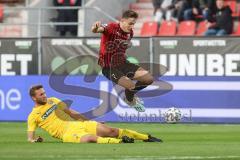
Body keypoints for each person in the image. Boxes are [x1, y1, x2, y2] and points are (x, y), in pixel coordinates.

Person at [27, 84, 162, 143]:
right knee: (89, 139)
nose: (45, 96)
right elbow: (30, 137)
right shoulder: (33, 116)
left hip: (77, 125)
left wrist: (87, 121)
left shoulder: (53, 101)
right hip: (65, 134)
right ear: (34, 98)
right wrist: (34, 140)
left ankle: (146, 137)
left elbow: (72, 113)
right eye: (41, 94)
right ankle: (120, 142)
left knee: (110, 130)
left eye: (44, 93)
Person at [91, 10, 154, 112]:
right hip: (109, 67)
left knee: (148, 79)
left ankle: (130, 96)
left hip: (123, 63)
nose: (132, 26)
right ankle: (130, 100)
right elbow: (98, 29)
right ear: (122, 21)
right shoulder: (111, 27)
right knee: (131, 86)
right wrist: (95, 27)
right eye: (130, 23)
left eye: (133, 24)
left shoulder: (130, 33)